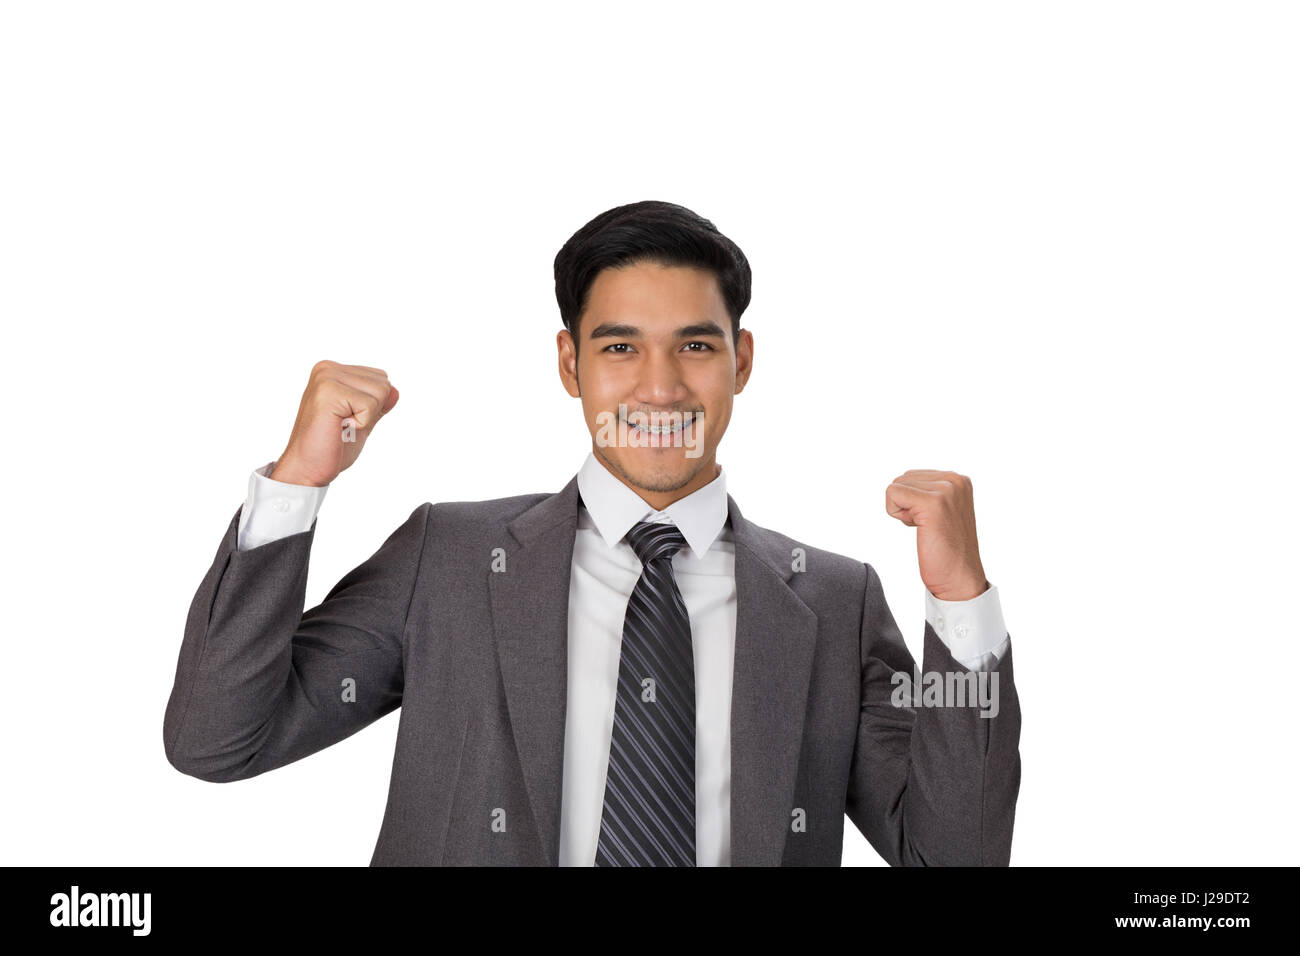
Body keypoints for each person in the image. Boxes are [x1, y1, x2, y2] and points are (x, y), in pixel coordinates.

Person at [163, 199, 1021, 866]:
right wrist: (295, 486)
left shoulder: (833, 601)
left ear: (742, 361)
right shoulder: (450, 558)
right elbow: (216, 740)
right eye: (620, 349)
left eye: (694, 345)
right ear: (570, 364)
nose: (659, 389)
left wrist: (961, 610)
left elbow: (952, 853)